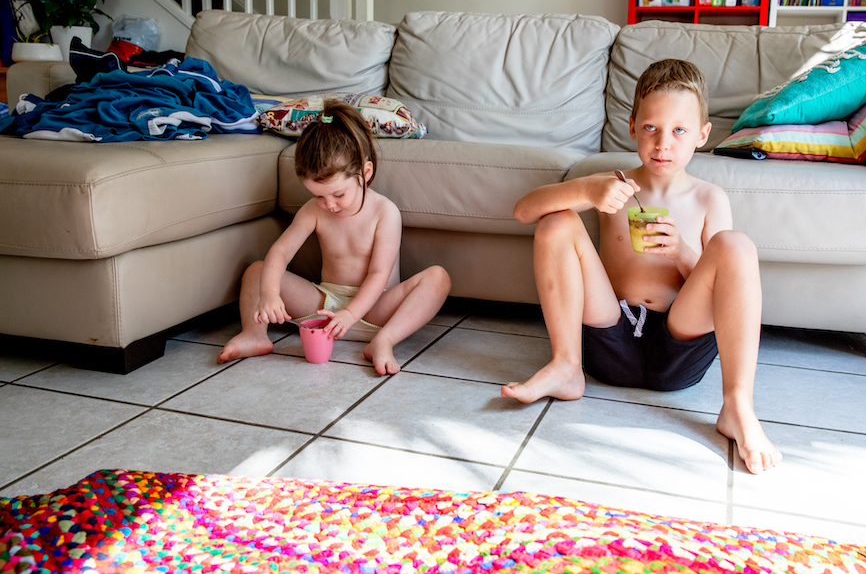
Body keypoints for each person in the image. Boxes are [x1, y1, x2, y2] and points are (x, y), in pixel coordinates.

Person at [503, 59, 781, 474]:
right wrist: (586, 188)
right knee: (556, 220)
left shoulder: (709, 198)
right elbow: (523, 211)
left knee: (734, 246)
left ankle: (737, 404)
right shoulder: (611, 186)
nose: (663, 143)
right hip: (609, 337)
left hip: (678, 344)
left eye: (679, 130)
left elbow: (721, 287)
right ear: (632, 127)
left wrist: (681, 252)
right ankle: (565, 366)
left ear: (702, 135)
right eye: (651, 128)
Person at [218, 100, 451, 374]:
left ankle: (383, 340)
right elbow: (280, 253)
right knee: (257, 271)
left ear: (365, 173)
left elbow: (378, 274)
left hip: (376, 308)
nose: (329, 205)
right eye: (318, 195)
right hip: (324, 304)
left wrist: (351, 315)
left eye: (338, 194)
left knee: (438, 279)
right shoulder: (313, 211)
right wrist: (269, 294)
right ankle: (255, 334)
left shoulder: (384, 212)